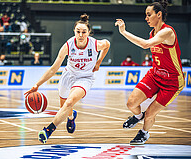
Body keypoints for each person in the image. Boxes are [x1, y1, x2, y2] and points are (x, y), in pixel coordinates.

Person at [24, 13, 110, 144]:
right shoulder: (68, 46)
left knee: (70, 102)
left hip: (85, 78)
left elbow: (107, 44)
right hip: (68, 75)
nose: (81, 35)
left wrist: (98, 62)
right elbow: (53, 68)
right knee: (64, 106)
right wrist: (37, 85)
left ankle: (48, 130)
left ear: (89, 32)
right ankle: (71, 116)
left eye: (84, 32)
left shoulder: (95, 44)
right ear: (74, 31)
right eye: (78, 31)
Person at [115, 0, 184, 145]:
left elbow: (145, 44)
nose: (146, 18)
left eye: (149, 15)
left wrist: (123, 32)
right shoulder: (152, 32)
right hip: (155, 74)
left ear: (158, 14)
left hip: (172, 82)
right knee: (131, 103)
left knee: (150, 114)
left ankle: (144, 133)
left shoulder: (167, 32)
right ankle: (137, 116)